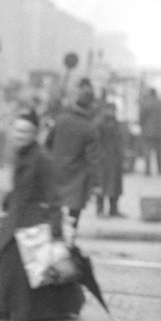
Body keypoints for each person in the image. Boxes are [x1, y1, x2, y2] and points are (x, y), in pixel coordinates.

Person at [0, 117, 84, 321]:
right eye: (17, 131)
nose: (19, 136)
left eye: (25, 132)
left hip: (33, 220)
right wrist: (10, 198)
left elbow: (53, 195)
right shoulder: (23, 154)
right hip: (18, 216)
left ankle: (9, 307)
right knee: (11, 261)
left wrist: (55, 227)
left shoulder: (42, 159)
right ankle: (3, 306)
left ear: (34, 134)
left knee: (23, 262)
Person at [47, 78, 102, 233]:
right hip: (77, 179)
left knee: (53, 213)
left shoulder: (60, 120)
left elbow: (47, 145)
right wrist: (97, 184)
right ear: (91, 106)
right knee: (73, 217)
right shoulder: (90, 128)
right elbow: (94, 160)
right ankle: (69, 241)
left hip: (55, 174)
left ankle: (54, 239)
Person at [93, 96, 126, 218]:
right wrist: (100, 155)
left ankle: (114, 209)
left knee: (115, 186)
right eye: (110, 109)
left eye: (113, 110)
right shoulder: (99, 123)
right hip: (103, 159)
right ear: (104, 110)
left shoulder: (116, 122)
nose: (112, 112)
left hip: (115, 159)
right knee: (101, 184)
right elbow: (96, 141)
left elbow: (120, 139)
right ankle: (100, 209)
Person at [139, 84, 161, 176]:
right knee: (159, 152)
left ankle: (148, 171)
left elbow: (141, 117)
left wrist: (142, 127)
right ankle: (160, 170)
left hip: (148, 132)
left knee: (147, 151)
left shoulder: (146, 104)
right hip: (160, 132)